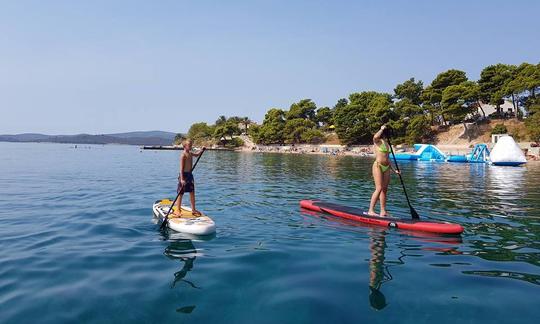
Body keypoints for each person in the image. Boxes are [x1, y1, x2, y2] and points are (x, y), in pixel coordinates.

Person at [367, 125, 400, 217]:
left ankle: (383, 211)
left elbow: (388, 158)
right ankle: (371, 210)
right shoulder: (378, 141)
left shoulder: (387, 143)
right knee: (379, 188)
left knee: (384, 190)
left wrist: (395, 170)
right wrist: (381, 129)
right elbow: (375, 137)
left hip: (387, 167)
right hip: (378, 166)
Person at [173, 139, 205, 216]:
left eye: (191, 145)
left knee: (192, 192)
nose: (191, 146)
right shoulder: (183, 155)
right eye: (189, 145)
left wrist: (201, 150)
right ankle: (178, 209)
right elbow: (181, 169)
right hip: (183, 175)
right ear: (184, 146)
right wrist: (182, 179)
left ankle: (193, 209)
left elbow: (197, 155)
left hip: (190, 175)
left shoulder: (190, 153)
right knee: (181, 193)